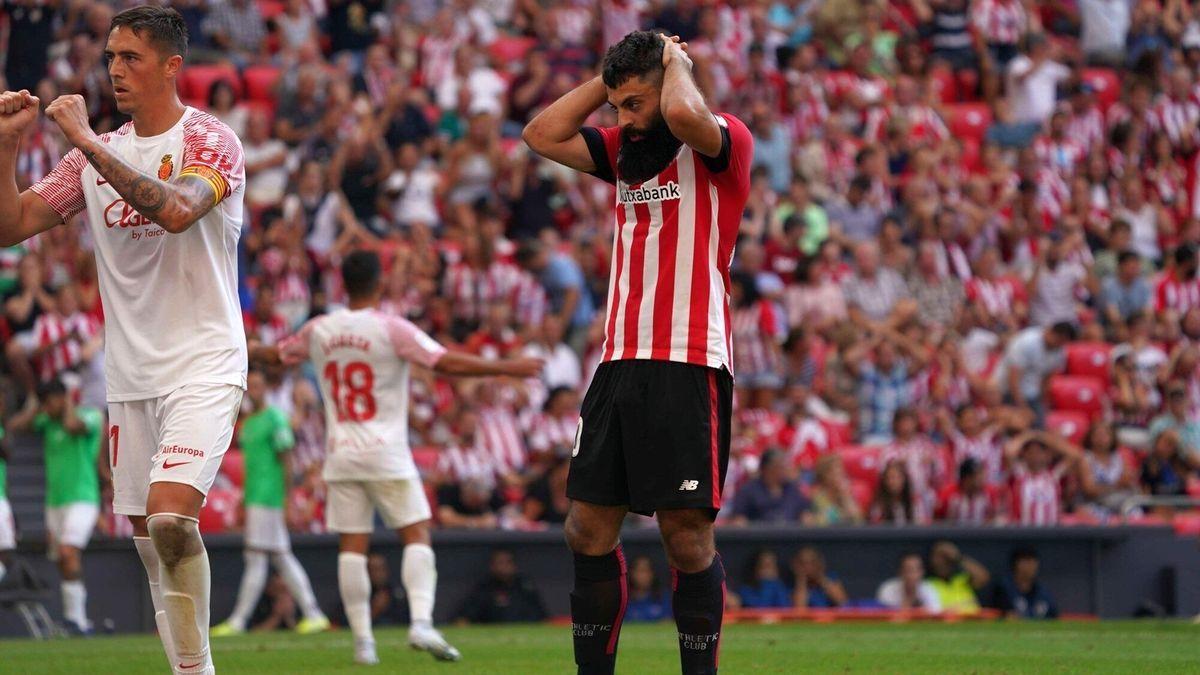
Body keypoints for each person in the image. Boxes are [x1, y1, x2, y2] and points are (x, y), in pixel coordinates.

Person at [2, 7, 250, 673]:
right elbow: (13, 223)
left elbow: (175, 210)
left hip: (204, 361)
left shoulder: (211, 140)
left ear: (172, 66)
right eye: (111, 55)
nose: (115, 68)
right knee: (150, 542)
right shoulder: (93, 155)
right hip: (131, 376)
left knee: (172, 521)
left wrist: (85, 139)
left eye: (132, 57)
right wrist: (6, 147)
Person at [523, 29, 753, 675]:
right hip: (619, 359)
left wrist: (673, 62)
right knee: (586, 528)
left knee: (686, 537)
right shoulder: (626, 150)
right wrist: (611, 81)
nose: (622, 119)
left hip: (688, 359)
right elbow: (541, 134)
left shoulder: (722, 141)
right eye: (617, 107)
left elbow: (682, 113)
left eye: (632, 104)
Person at [253, 249, 542, 665]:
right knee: (416, 532)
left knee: (352, 547)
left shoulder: (318, 329)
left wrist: (240, 346)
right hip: (386, 452)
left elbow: (275, 355)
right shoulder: (391, 328)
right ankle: (421, 623)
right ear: (380, 282)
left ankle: (363, 644)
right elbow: (445, 362)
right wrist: (509, 368)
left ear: (342, 284)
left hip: (341, 454)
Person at [212, 369, 329, 636]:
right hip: (255, 496)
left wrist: (287, 499)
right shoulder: (248, 424)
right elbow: (252, 467)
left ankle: (239, 621)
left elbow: (287, 458)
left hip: (270, 497)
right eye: (249, 386)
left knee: (257, 557)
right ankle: (313, 614)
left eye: (257, 386)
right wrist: (243, 499)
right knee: (279, 556)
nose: (253, 391)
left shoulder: (276, 418)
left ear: (266, 389)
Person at [6, 380, 104, 633]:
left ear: (63, 398)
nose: (47, 409)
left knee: (68, 552)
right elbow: (15, 426)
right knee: (63, 560)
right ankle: (77, 621)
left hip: (83, 498)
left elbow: (73, 426)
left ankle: (78, 620)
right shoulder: (46, 421)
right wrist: (35, 406)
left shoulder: (89, 415)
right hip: (55, 502)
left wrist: (68, 402)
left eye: (50, 402)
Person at [455, 548, 548, 624]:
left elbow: (543, 618)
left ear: (514, 565)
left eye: (508, 562)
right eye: (500, 563)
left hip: (525, 633)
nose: (504, 567)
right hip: (490, 635)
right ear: (492, 566)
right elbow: (464, 619)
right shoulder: (484, 588)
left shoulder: (525, 586)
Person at [728, 449, 810, 524]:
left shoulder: (792, 490)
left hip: (790, 537)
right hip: (759, 537)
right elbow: (738, 519)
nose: (786, 469)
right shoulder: (748, 491)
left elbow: (805, 514)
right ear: (768, 469)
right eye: (782, 466)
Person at [991, 548, 1058, 619]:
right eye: (1027, 561)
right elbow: (999, 614)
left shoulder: (1042, 591)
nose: (1032, 566)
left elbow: (1054, 615)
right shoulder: (1003, 588)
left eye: (1034, 562)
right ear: (1017, 564)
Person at [926, 540, 990, 614]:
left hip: (973, 621)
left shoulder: (962, 579)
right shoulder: (928, 584)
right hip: (946, 622)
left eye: (946, 559)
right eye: (938, 557)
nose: (942, 563)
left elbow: (983, 578)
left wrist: (958, 557)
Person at [876, 552, 942, 612]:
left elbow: (936, 615)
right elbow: (884, 616)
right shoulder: (887, 589)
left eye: (916, 570)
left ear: (922, 572)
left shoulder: (929, 589)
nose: (912, 575)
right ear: (900, 572)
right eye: (908, 570)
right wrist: (908, 601)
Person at [626, 556, 671, 622]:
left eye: (647, 571)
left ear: (652, 574)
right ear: (632, 573)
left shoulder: (663, 597)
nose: (644, 575)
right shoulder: (624, 598)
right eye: (640, 571)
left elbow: (668, 621)